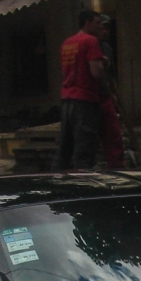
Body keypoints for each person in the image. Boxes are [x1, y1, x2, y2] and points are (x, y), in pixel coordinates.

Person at [54, 10, 107, 171]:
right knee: (85, 150)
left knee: (65, 147)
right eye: (97, 22)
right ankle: (84, 185)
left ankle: (55, 182)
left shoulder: (67, 44)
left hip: (67, 100)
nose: (100, 26)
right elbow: (96, 72)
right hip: (85, 100)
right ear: (87, 23)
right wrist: (104, 63)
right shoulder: (91, 41)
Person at [98, 15, 126, 169]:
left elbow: (112, 73)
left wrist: (114, 94)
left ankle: (117, 167)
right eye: (102, 26)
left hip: (105, 94)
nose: (105, 30)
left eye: (107, 27)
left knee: (114, 134)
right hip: (90, 97)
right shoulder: (89, 45)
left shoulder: (106, 48)